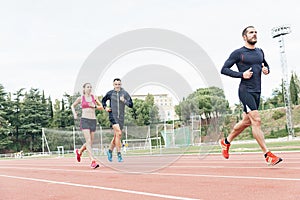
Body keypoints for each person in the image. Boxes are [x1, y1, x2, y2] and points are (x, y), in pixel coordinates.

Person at [220, 26, 282, 166]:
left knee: (246, 122)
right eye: (251, 32)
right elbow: (224, 69)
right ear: (244, 37)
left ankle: (226, 141)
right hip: (245, 90)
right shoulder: (238, 53)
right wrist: (241, 74)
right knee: (256, 120)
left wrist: (267, 70)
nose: (254, 34)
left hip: (257, 90)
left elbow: (264, 64)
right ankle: (267, 155)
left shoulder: (260, 52)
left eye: (255, 32)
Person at [71, 83, 103, 169]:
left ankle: (80, 151)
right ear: (84, 89)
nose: (89, 88)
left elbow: (101, 107)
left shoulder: (94, 97)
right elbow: (72, 106)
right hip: (85, 120)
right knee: (88, 140)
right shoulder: (81, 98)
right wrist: (74, 113)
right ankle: (92, 161)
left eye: (90, 87)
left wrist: (95, 106)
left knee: (90, 142)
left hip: (93, 120)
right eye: (87, 87)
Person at [102, 78, 133, 162]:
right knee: (119, 133)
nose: (117, 86)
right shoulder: (110, 93)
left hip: (121, 117)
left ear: (121, 84)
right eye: (116, 84)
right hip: (113, 116)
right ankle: (119, 154)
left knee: (117, 136)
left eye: (119, 84)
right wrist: (105, 107)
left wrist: (124, 101)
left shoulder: (124, 93)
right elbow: (103, 101)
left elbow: (131, 105)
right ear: (113, 85)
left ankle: (109, 151)